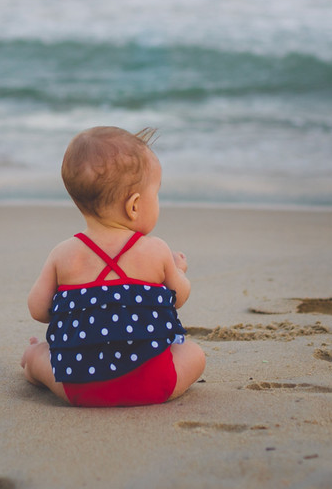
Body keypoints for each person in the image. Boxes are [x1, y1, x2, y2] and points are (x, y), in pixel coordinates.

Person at [20, 126, 206, 406]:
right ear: (134, 206)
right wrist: (178, 271)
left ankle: (32, 361)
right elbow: (179, 297)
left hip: (79, 387)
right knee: (193, 353)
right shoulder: (156, 250)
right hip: (151, 383)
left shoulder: (63, 254)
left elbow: (37, 309)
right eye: (156, 194)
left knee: (41, 357)